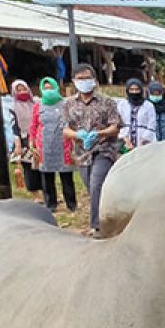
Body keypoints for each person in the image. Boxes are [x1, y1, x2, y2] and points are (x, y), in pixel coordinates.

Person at [61, 63, 120, 236]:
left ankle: (98, 226)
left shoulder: (106, 102)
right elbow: (64, 129)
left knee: (96, 184)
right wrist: (78, 135)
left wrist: (99, 133)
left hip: (103, 148)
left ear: (94, 80)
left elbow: (115, 126)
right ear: (73, 81)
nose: (84, 81)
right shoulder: (68, 104)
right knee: (92, 187)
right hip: (81, 152)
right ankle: (109, 213)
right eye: (80, 79)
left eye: (87, 78)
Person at [29, 77, 76, 212]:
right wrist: (32, 142)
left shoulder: (65, 104)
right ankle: (51, 205)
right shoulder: (38, 106)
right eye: (46, 88)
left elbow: (72, 123)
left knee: (66, 175)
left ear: (56, 88)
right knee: (47, 176)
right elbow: (33, 125)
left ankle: (71, 204)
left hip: (63, 143)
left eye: (51, 88)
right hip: (44, 144)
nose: (49, 91)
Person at [9, 79, 43, 202]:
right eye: (19, 90)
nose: (22, 92)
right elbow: (14, 126)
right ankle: (36, 195)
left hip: (39, 138)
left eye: (24, 89)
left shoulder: (36, 103)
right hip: (24, 141)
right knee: (29, 169)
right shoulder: (13, 108)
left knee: (42, 166)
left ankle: (47, 193)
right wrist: (17, 143)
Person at [116, 78, 157, 150]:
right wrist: (126, 140)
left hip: (145, 142)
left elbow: (152, 125)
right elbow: (118, 123)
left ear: (141, 90)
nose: (134, 92)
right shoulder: (122, 104)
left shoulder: (148, 105)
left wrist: (143, 141)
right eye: (131, 89)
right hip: (125, 141)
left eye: (137, 89)